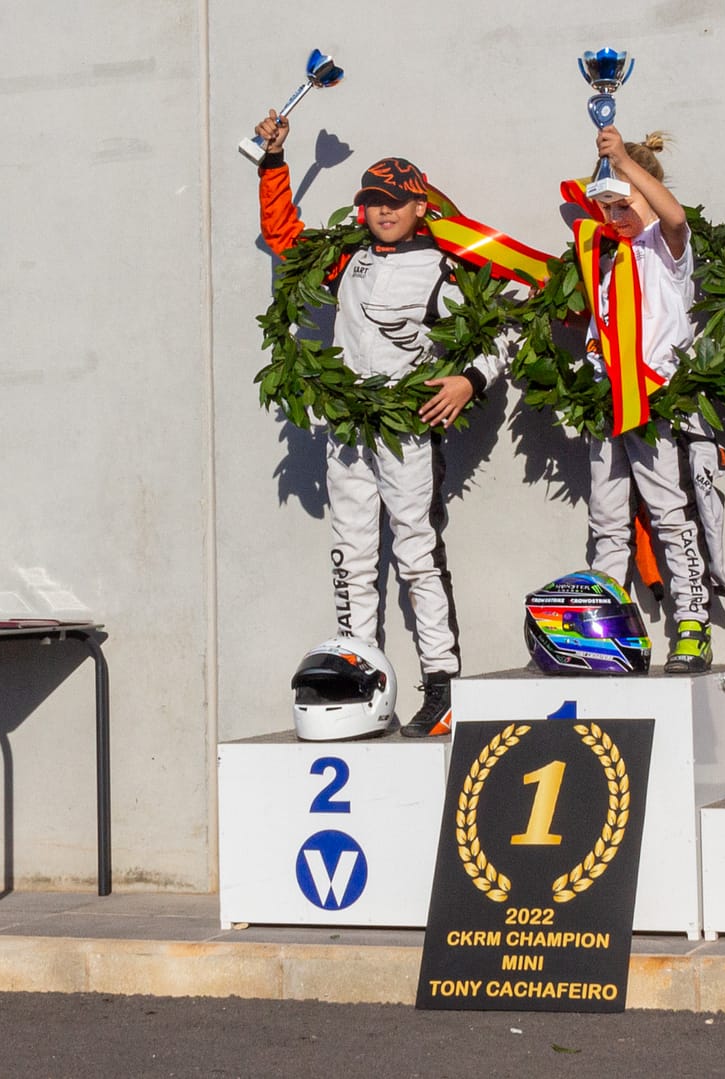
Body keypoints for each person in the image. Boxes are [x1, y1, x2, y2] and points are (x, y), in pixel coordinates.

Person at [253, 110, 500, 738]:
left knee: (417, 553)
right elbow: (284, 238)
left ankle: (442, 687)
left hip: (407, 429)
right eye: (371, 202)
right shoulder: (346, 259)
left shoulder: (446, 266)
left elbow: (504, 326)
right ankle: (361, 680)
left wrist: (469, 379)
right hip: (346, 428)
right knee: (352, 553)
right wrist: (275, 162)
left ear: (420, 205)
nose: (382, 211)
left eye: (394, 201)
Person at [574, 127, 713, 674]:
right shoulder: (603, 262)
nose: (615, 212)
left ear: (648, 191)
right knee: (607, 519)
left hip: (656, 402)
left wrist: (624, 166)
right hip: (610, 404)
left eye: (625, 199)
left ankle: (691, 625)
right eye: (604, 203)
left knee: (669, 514)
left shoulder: (664, 249)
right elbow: (600, 330)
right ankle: (608, 629)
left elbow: (675, 218)